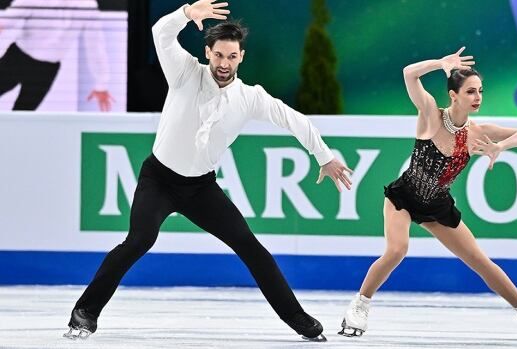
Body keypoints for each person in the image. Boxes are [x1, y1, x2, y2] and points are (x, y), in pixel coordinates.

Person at [64, 0, 352, 342]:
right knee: (140, 239)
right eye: (218, 56)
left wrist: (323, 155)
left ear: (241, 57)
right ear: (208, 52)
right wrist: (185, 13)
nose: (224, 64)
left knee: (251, 247)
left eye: (231, 57)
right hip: (159, 179)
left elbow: (295, 121)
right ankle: (85, 312)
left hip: (201, 188)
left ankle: (298, 319)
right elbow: (160, 33)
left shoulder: (250, 97)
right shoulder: (185, 72)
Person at [339, 47, 517, 341]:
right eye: (470, 91)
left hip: (438, 205)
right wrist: (440, 63)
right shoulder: (431, 115)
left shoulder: (478, 132)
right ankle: (360, 305)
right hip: (403, 197)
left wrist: (499, 147)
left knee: (480, 261)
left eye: (480, 91)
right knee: (397, 250)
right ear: (453, 95)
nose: (478, 97)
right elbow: (409, 73)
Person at [0, 0, 113, 111]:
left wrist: (101, 83)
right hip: (17, 60)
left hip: (47, 70)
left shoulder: (87, 5)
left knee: (23, 117)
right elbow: (7, 20)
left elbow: (95, 45)